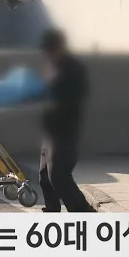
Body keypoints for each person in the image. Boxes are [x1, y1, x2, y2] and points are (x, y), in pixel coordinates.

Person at [38, 28, 96, 213]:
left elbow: (71, 99)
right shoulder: (53, 66)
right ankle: (52, 210)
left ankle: (84, 213)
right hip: (51, 132)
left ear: (60, 47)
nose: (49, 54)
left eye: (51, 50)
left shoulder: (73, 68)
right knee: (45, 176)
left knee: (59, 176)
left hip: (65, 131)